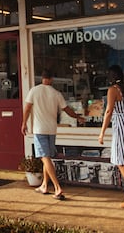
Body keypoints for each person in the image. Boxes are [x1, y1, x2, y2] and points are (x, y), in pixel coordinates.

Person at [21, 70, 84, 200]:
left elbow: (27, 108)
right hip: (52, 129)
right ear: (51, 79)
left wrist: (24, 123)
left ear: (42, 78)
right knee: (47, 158)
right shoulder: (56, 93)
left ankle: (57, 187)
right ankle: (44, 185)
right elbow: (67, 109)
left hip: (40, 129)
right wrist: (78, 117)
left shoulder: (34, 90)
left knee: (45, 158)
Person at [98, 65, 124, 208]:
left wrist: (102, 132)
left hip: (121, 126)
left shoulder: (113, 90)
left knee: (122, 163)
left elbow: (109, 110)